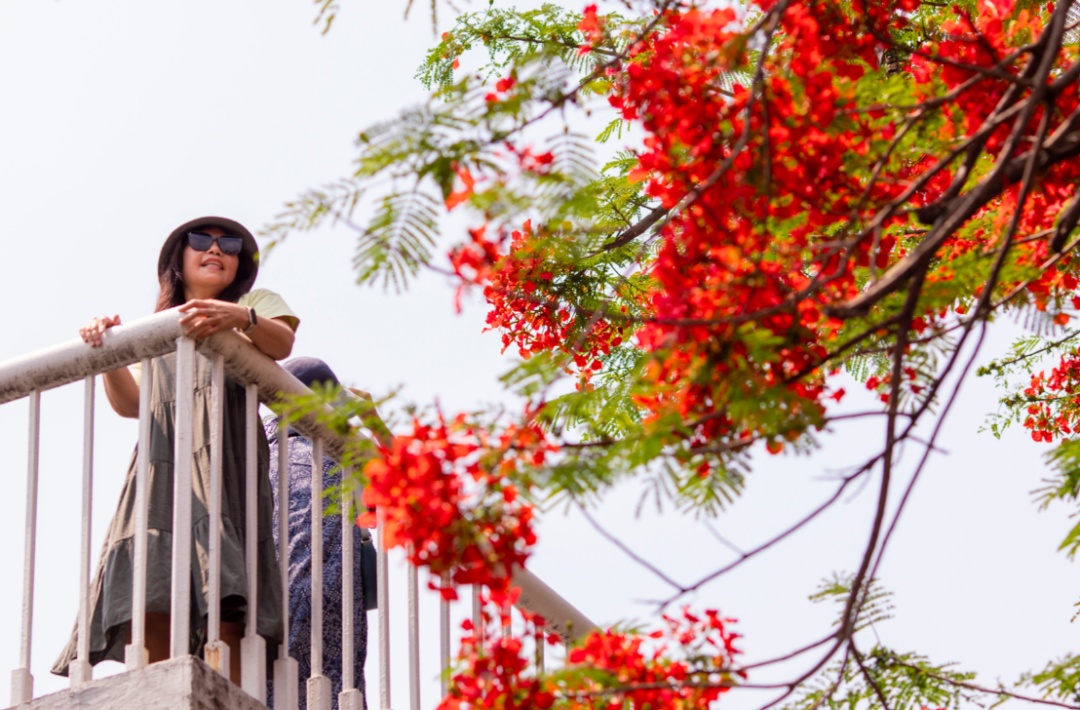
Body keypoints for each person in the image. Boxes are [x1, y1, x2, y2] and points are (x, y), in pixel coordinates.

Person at [53, 216, 300, 685]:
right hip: (162, 464)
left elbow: (283, 342)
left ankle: (222, 689)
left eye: (229, 244)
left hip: (228, 461)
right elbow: (131, 404)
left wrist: (239, 318)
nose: (216, 250)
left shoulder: (252, 304)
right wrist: (108, 350)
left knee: (229, 586)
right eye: (201, 241)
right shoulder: (156, 330)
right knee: (153, 585)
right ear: (178, 261)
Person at [266, 357, 374, 710]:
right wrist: (373, 420)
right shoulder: (340, 456)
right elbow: (405, 481)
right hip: (332, 600)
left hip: (267, 605)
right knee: (334, 687)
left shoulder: (258, 454)